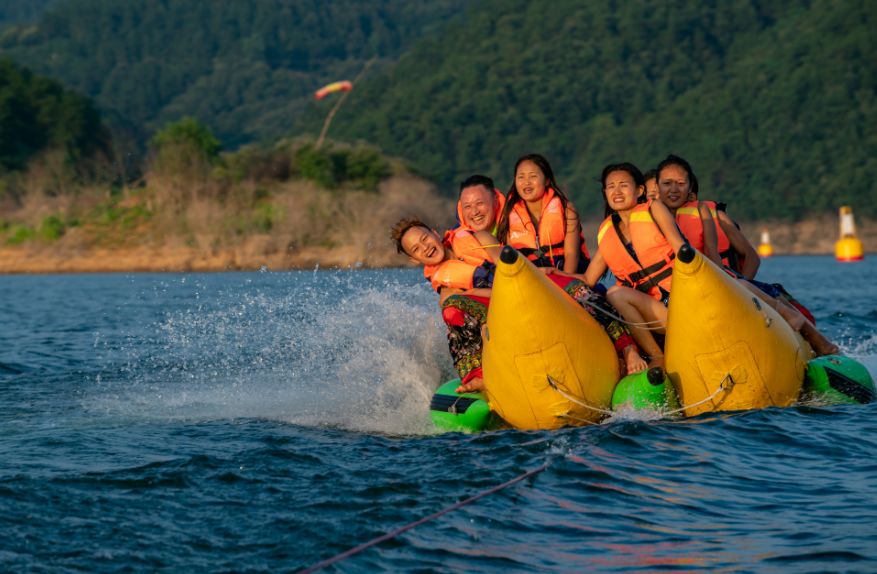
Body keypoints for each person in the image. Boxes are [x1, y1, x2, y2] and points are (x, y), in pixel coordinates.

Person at [587, 162, 837, 358]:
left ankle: (808, 334)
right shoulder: (610, 233)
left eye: (679, 183)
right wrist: (549, 278)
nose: (671, 189)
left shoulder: (674, 211)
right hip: (661, 308)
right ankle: (657, 358)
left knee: (735, 280)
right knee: (615, 293)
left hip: (703, 287)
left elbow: (702, 252)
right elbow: (589, 278)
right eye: (611, 186)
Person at [391, 217, 491, 392]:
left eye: (425, 239)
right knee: (451, 310)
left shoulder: (474, 239)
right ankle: (476, 376)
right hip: (496, 319)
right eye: (416, 249)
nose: (425, 247)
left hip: (517, 294)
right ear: (414, 259)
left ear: (436, 234)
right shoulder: (447, 290)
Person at [496, 153, 590, 273]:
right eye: (521, 177)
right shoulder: (508, 213)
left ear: (547, 180)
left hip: (563, 272)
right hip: (528, 275)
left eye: (533, 176)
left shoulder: (567, 210)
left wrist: (565, 283)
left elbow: (572, 254)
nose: (526, 182)